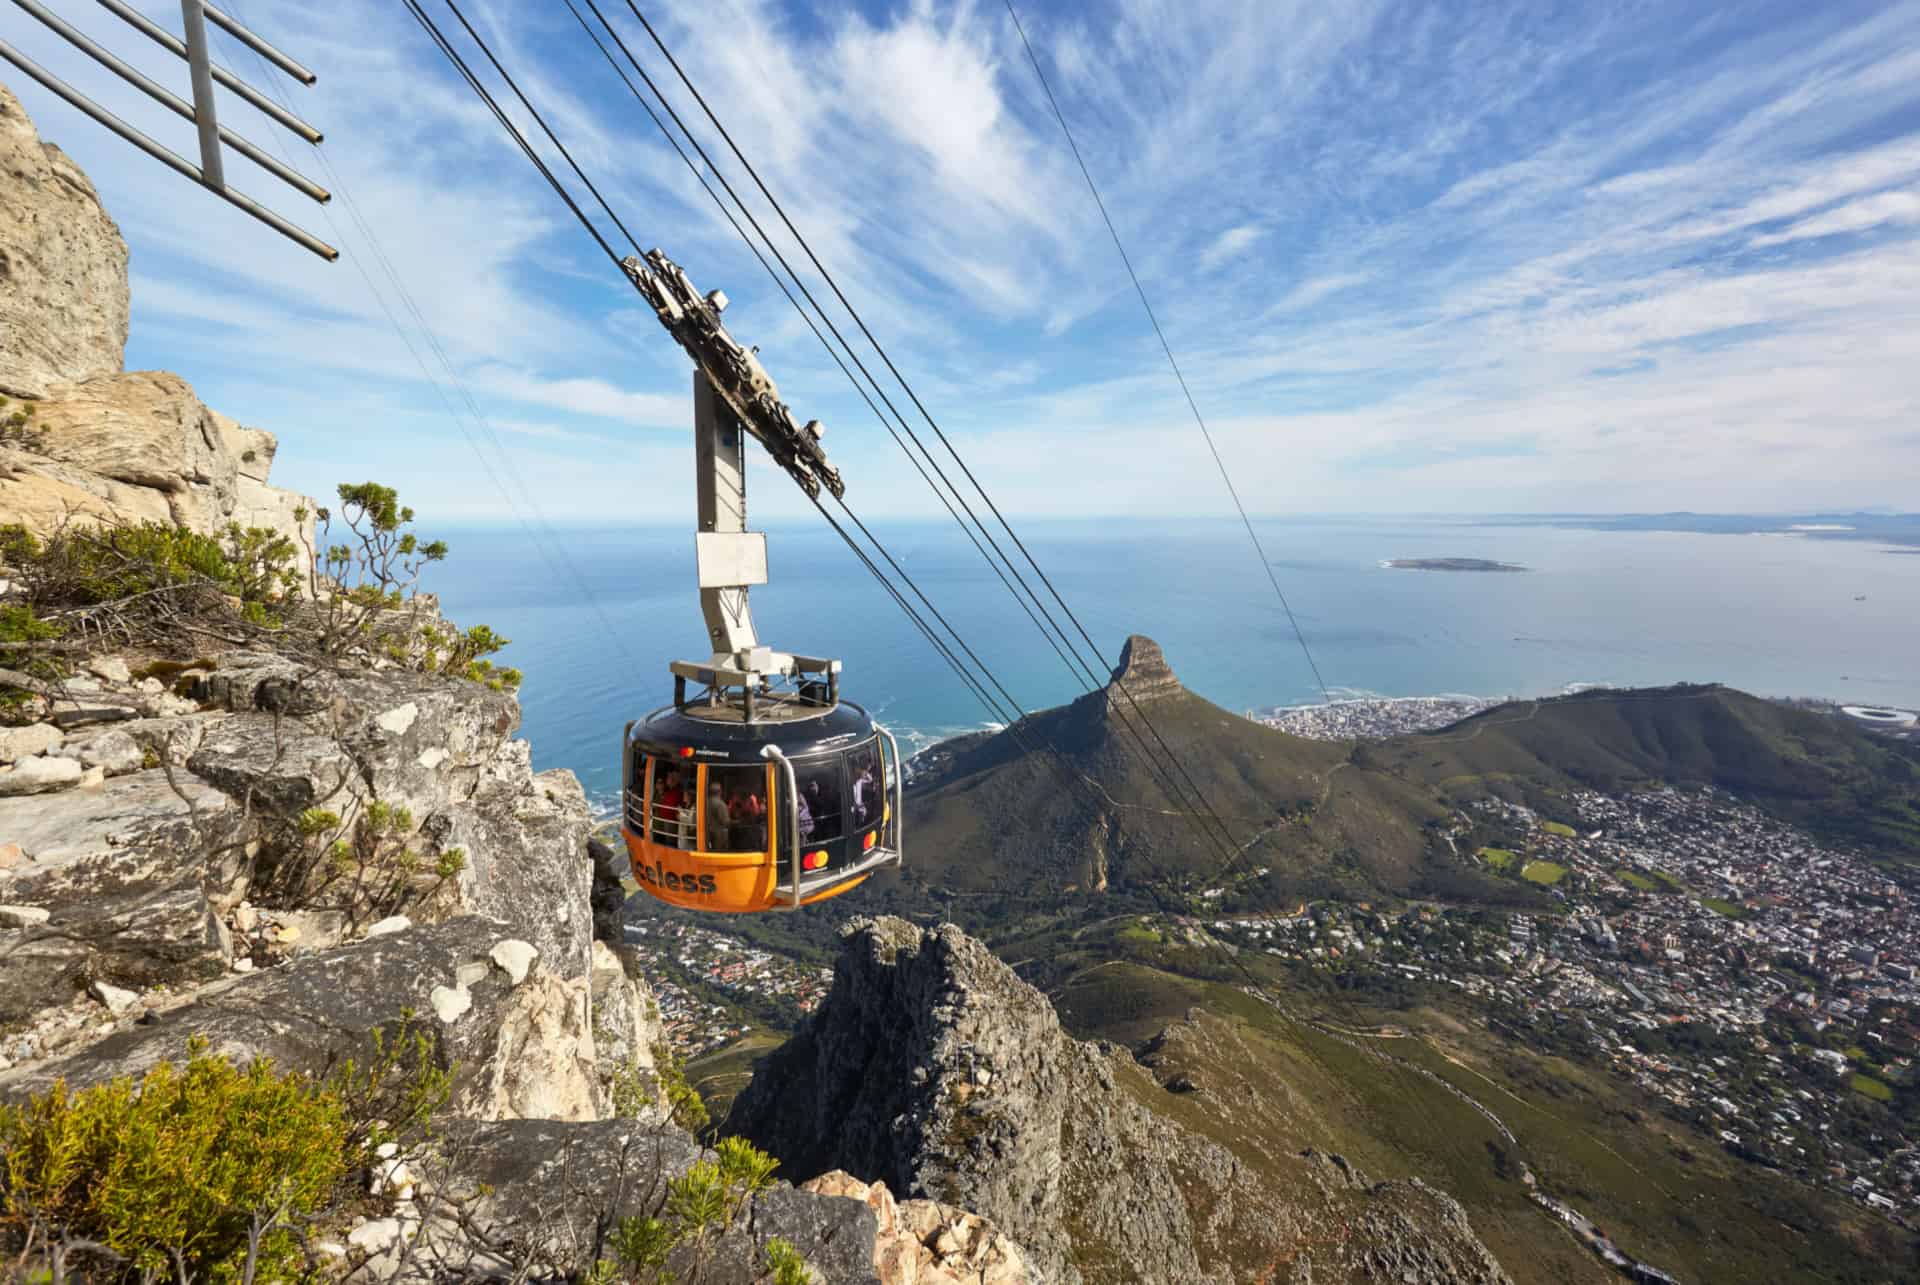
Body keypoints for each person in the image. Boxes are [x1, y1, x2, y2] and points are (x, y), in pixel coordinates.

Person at [706, 781, 729, 849]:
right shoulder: (720, 804)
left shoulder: (706, 802)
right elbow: (725, 821)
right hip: (718, 836)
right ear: (719, 791)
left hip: (708, 833)